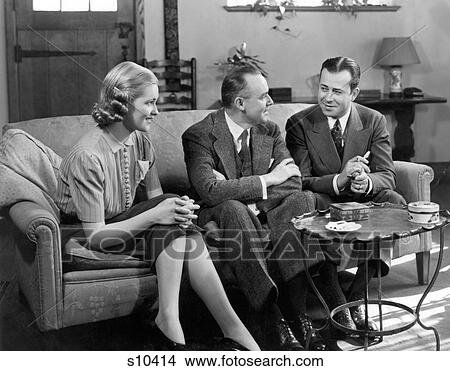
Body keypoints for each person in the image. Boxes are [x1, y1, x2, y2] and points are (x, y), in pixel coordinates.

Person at [56, 61, 260, 351]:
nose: (156, 111)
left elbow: (156, 199)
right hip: (83, 237)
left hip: (126, 226)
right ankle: (208, 326)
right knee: (167, 211)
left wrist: (176, 210)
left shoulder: (140, 141)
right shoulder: (89, 156)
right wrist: (160, 211)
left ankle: (200, 325)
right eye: (149, 103)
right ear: (123, 103)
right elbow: (95, 236)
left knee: (173, 217)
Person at [182, 65, 327, 351]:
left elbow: (295, 180)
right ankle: (271, 317)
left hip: (256, 210)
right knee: (234, 208)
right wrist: (269, 179)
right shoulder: (199, 135)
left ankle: (298, 316)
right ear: (240, 103)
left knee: (301, 200)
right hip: (219, 216)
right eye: (263, 96)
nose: (271, 102)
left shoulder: (270, 130)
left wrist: (246, 196)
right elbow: (210, 191)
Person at [285, 56, 406, 334]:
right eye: (323, 88)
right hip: (325, 199)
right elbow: (301, 180)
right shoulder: (299, 123)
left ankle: (356, 295)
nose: (327, 97)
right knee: (309, 204)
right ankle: (334, 295)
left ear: (354, 93)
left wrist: (367, 182)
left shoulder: (373, 120)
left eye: (337, 91)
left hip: (361, 199)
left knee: (395, 201)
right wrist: (339, 180)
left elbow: (387, 173)